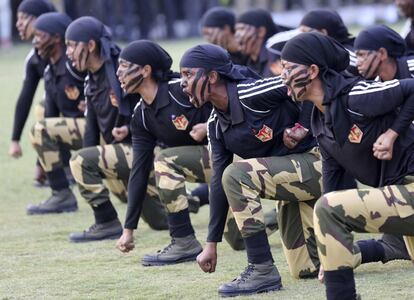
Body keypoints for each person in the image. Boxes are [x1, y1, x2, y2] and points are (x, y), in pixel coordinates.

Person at [179, 44, 322, 297]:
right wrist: (211, 245)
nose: (183, 82)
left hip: (319, 164)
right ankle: (388, 247)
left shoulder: (251, 93)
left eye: (188, 74)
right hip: (292, 184)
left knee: (237, 173)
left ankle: (261, 269)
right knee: (306, 269)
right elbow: (217, 187)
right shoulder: (215, 125)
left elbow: (307, 81)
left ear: (212, 77)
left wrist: (303, 126)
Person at [280, 32, 414, 300]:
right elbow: (332, 190)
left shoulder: (355, 95)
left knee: (329, 209)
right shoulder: (320, 122)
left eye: (287, 68)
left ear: (313, 70)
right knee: (328, 204)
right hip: (402, 198)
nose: (282, 76)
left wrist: (392, 134)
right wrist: (331, 257)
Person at [115, 40, 224, 265]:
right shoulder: (141, 116)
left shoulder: (180, 89)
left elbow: (228, 105)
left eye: (125, 66)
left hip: (231, 159)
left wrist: (209, 125)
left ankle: (273, 217)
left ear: (146, 71)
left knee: (164, 159)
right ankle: (184, 241)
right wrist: (128, 229)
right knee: (237, 240)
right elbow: (139, 170)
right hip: (211, 169)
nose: (118, 73)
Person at [65, 16, 168, 242]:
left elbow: (151, 114)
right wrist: (88, 164)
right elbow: (91, 131)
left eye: (72, 45)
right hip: (123, 153)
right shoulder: (90, 80)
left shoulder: (124, 72)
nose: (69, 52)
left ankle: (106, 222)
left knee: (79, 160)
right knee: (160, 221)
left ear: (90, 46)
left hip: (146, 151)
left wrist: (128, 131)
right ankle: (193, 200)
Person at [28, 12, 86, 215]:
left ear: (56, 39)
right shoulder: (50, 70)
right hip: (87, 136)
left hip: (104, 132)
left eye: (40, 36)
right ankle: (61, 194)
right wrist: (42, 163)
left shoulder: (76, 65)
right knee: (42, 119)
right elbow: (50, 120)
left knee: (131, 196)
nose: (35, 41)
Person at [9, 0, 55, 186]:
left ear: (40, 20)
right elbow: (25, 98)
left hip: (98, 111)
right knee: (43, 107)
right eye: (17, 18)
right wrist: (14, 139)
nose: (18, 23)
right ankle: (61, 169)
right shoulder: (35, 58)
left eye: (23, 18)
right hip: (71, 110)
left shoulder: (66, 49)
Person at [299, 9, 358, 75]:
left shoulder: (346, 57)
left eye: (305, 32)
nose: (301, 37)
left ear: (323, 33)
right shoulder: (328, 53)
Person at [234, 8, 290, 77]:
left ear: (261, 31)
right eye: (236, 30)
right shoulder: (249, 62)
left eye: (241, 29)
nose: (236, 34)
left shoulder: (276, 57)